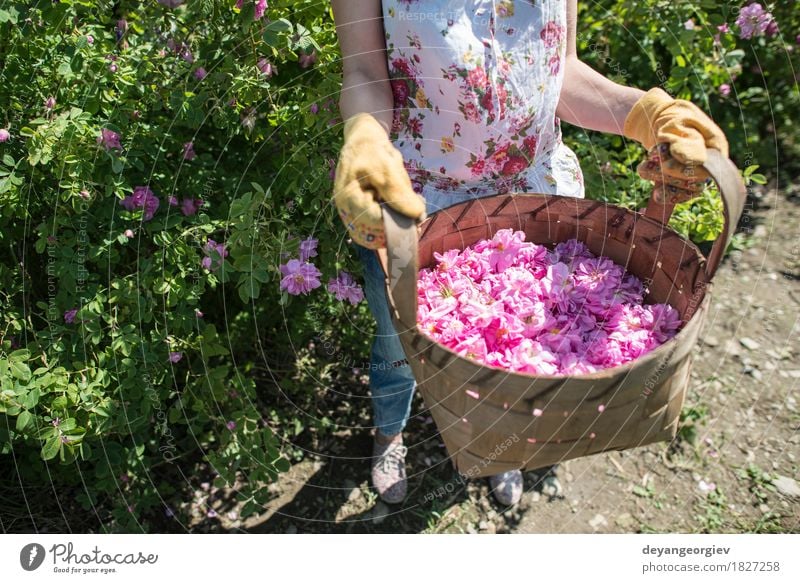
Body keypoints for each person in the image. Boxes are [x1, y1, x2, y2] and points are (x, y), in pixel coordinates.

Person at [330, 0, 728, 506]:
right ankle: (390, 436)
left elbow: (560, 72)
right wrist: (364, 136)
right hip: (417, 203)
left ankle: (509, 445)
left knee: (530, 342)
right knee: (397, 347)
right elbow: (365, 71)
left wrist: (649, 116)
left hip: (537, 203)